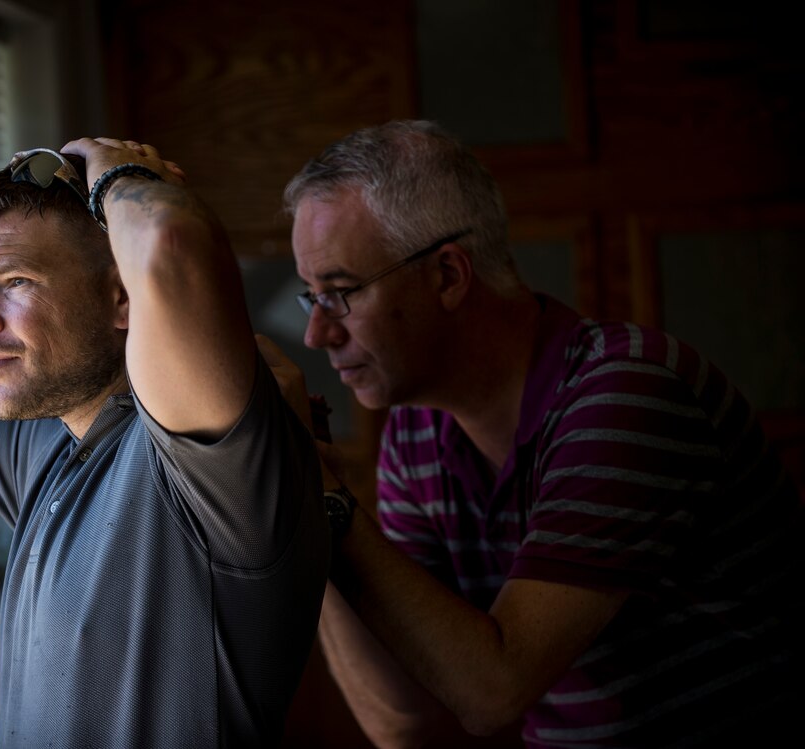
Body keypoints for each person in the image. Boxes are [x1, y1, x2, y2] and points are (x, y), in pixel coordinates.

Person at [265, 119, 804, 747]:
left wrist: (333, 508)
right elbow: (407, 720)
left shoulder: (625, 395)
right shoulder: (414, 437)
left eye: (341, 293)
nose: (317, 335)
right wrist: (308, 505)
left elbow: (493, 690)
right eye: (312, 298)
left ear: (447, 276)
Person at [0, 138, 330, 747]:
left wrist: (111, 169)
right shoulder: (41, 447)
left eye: (17, 281)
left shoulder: (206, 459)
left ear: (122, 295)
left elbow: (169, 248)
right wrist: (29, 201)